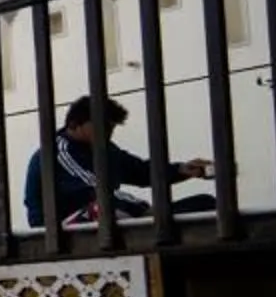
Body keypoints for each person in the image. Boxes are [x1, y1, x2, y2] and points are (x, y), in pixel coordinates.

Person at [22, 98, 211, 230]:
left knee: (205, 202)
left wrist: (181, 170)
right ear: (74, 124)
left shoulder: (105, 149)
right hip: (59, 228)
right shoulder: (57, 152)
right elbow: (97, 189)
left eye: (111, 128)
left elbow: (140, 171)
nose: (108, 133)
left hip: (108, 217)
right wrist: (144, 209)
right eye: (102, 127)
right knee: (104, 205)